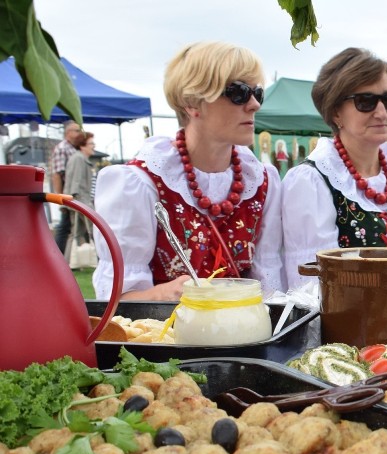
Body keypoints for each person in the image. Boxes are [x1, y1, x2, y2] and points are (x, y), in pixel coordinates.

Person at [92, 41, 284, 300]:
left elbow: (269, 286)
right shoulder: (141, 182)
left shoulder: (261, 182)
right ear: (192, 103)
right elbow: (117, 301)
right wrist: (162, 294)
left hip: (245, 335)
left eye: (257, 93)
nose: (254, 105)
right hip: (168, 336)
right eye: (238, 92)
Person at [279, 47, 387, 289]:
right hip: (346, 321)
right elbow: (310, 285)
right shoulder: (313, 182)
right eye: (366, 102)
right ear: (335, 112)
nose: (382, 112)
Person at [50, 120, 83, 254]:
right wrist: (60, 199)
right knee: (65, 226)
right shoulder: (62, 148)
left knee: (68, 226)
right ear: (68, 133)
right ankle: (57, 255)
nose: (80, 133)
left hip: (74, 194)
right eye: (77, 131)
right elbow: (57, 175)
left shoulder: (74, 148)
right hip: (67, 194)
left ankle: (62, 256)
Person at [64, 132, 97, 257]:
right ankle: (100, 258)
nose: (93, 146)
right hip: (81, 201)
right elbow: (76, 184)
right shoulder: (79, 158)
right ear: (82, 146)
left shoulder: (79, 158)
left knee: (76, 233)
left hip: (80, 201)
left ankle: (68, 262)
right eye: (91, 143)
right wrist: (81, 204)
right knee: (96, 230)